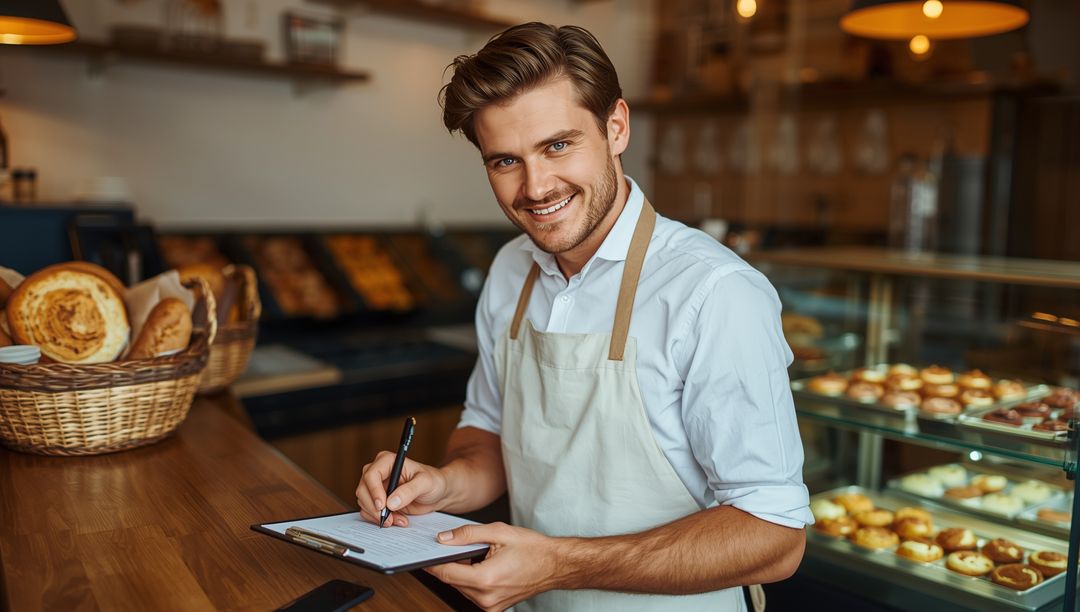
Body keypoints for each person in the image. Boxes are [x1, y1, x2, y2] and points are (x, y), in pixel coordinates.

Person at [355, 22, 812, 612]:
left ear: (615, 127)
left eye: (558, 145)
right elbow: (490, 431)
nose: (536, 187)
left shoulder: (715, 292)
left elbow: (775, 537)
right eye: (504, 161)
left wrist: (561, 564)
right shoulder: (510, 270)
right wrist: (441, 485)